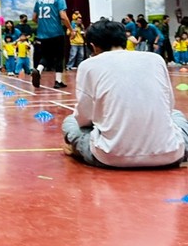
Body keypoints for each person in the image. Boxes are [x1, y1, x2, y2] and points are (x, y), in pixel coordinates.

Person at [62, 18, 188, 168]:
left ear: (93, 46)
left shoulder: (88, 65)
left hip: (110, 157)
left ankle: (80, 149)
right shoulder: (155, 59)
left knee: (71, 122)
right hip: (170, 154)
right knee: (176, 115)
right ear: (124, 40)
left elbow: (84, 118)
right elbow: (168, 107)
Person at [31, 0, 72, 89]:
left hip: (42, 34)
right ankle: (58, 81)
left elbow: (34, 18)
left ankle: (38, 70)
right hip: (56, 33)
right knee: (59, 56)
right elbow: (63, 16)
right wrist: (71, 29)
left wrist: (44, 24)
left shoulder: (39, 0)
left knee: (46, 55)